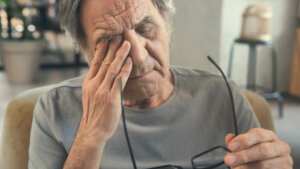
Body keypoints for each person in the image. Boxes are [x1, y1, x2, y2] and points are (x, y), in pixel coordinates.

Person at [28, 0, 293, 168]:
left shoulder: (224, 94)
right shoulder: (54, 110)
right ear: (85, 51)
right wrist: (90, 139)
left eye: (145, 29)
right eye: (111, 42)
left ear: (166, 25)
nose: (139, 57)